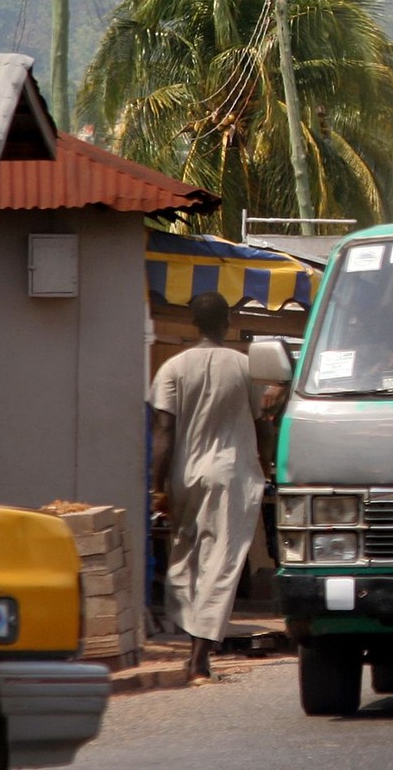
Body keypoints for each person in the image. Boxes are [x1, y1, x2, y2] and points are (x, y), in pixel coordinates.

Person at [150, 291, 263, 682]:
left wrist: (158, 486)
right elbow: (261, 421)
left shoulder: (172, 368)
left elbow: (163, 430)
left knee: (184, 556)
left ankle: (192, 639)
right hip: (232, 475)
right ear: (227, 322)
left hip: (185, 475)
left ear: (193, 323)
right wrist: (267, 465)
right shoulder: (246, 367)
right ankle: (199, 656)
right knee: (222, 561)